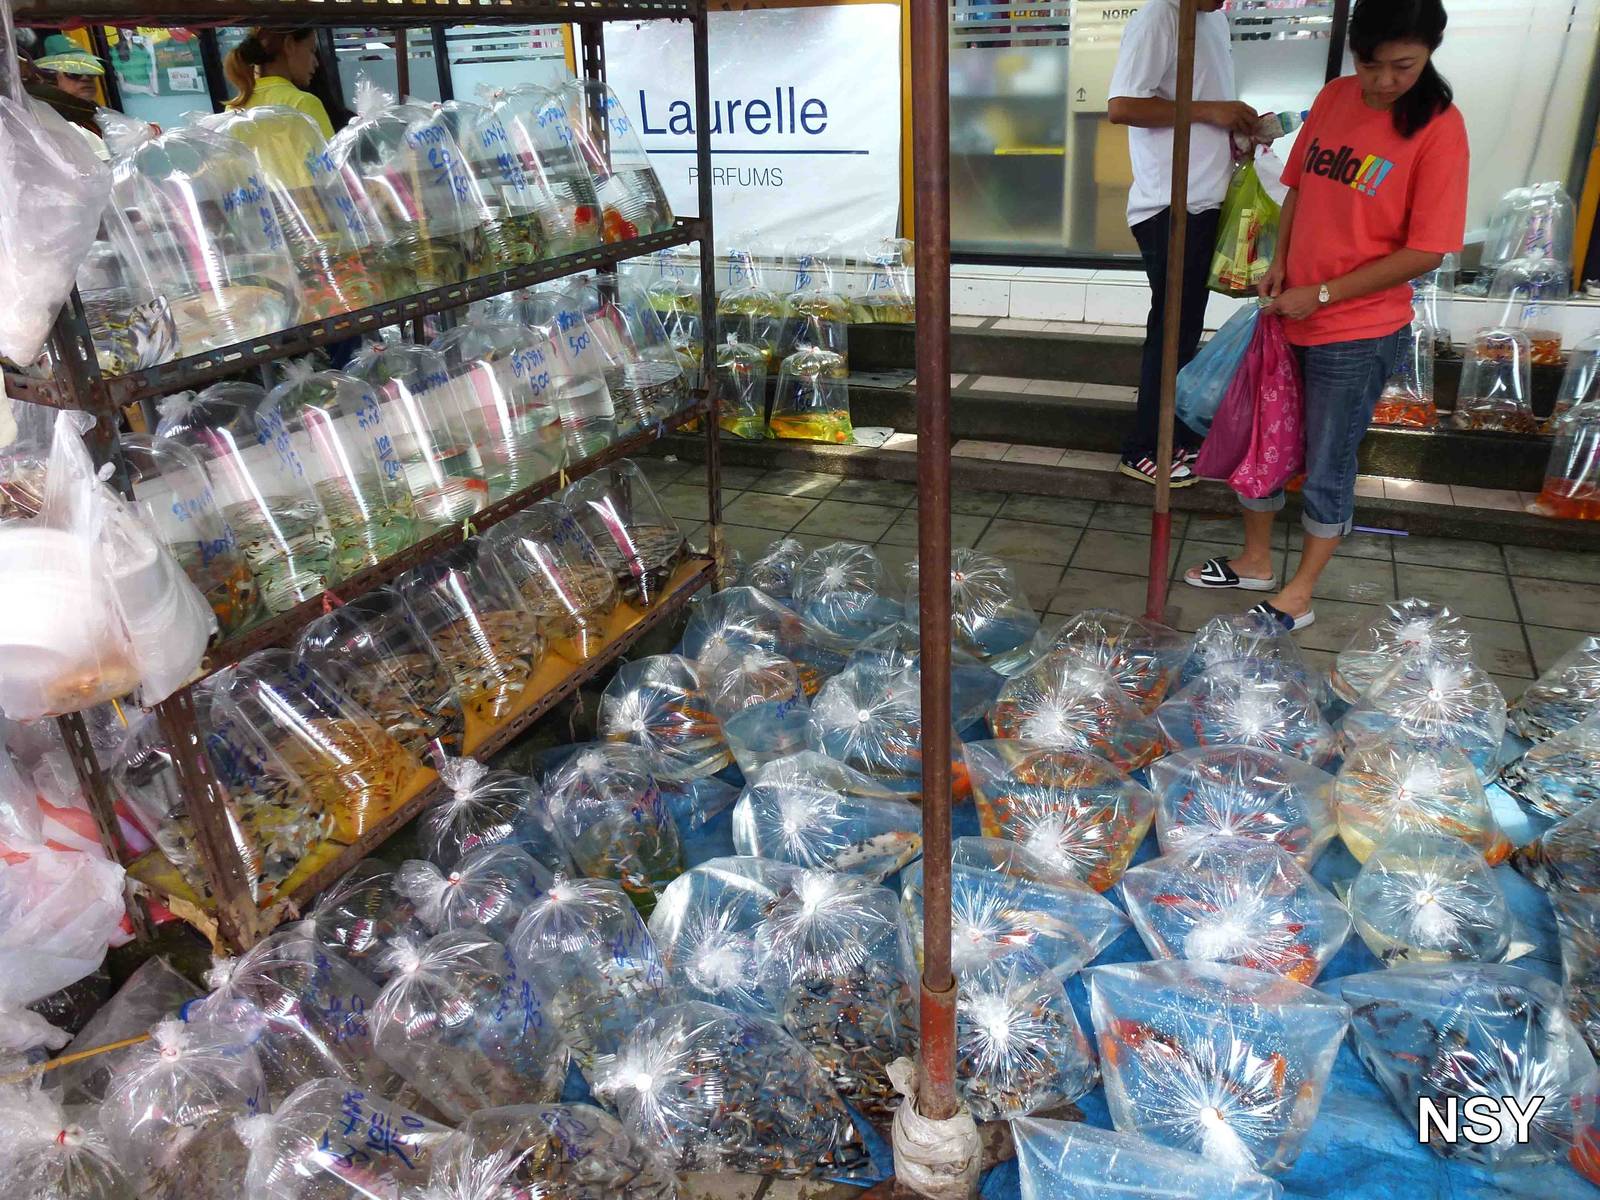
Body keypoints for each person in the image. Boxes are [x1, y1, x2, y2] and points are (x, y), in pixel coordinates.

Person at [1183, 0, 1467, 632]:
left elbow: (1426, 249)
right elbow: (1302, 188)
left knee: (1328, 456)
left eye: (1404, 66)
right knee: (1264, 435)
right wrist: (1280, 262)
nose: (1384, 81)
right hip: (1288, 310)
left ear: (1429, 54)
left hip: (1357, 332)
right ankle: (1256, 559)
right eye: (1372, 65)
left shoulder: (1440, 128)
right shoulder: (1337, 97)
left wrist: (1328, 293)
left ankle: (1301, 591)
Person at [1109, 0, 1257, 487]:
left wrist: (1232, 129)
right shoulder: (1161, 16)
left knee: (1184, 327)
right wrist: (1212, 110)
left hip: (1207, 198)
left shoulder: (1214, 19)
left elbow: (1200, 109)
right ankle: (1143, 446)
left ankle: (1170, 434)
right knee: (1172, 328)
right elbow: (1123, 106)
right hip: (1169, 206)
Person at [223, 27, 334, 138]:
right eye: (312, 50)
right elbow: (331, 154)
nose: (316, 63)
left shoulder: (233, 108)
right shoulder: (303, 102)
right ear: (289, 45)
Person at [32, 41, 105, 104]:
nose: (85, 78)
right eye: (74, 72)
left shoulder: (109, 116)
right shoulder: (39, 117)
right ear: (50, 79)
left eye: (90, 72)